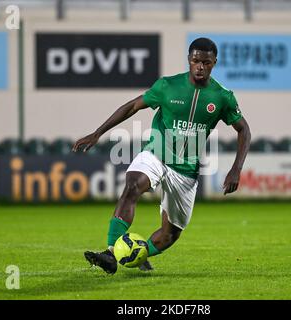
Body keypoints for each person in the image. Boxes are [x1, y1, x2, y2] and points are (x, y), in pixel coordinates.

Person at [72, 37, 251, 274]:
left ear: (214, 63)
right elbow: (132, 106)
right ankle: (110, 253)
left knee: (170, 235)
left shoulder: (222, 97)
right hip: (157, 154)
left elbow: (244, 130)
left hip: (186, 170)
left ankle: (141, 252)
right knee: (133, 185)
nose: (200, 66)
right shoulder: (168, 86)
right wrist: (98, 133)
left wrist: (236, 168)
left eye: (206, 62)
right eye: (196, 61)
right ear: (189, 60)